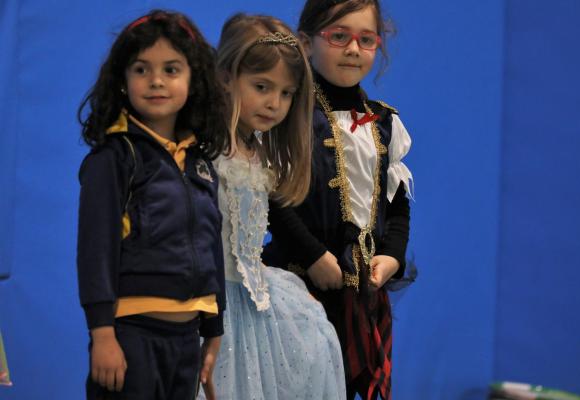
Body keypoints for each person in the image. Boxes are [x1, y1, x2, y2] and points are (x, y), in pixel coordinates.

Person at [263, 1, 414, 399]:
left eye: (366, 40)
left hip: (362, 293)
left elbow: (396, 201)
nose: (353, 49)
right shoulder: (287, 114)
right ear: (306, 42)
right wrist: (312, 255)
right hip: (297, 282)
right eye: (338, 36)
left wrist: (394, 254)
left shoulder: (384, 122)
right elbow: (270, 196)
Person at [76, 10, 229, 400]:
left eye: (172, 69)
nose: (156, 81)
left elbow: (212, 244)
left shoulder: (200, 163)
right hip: (130, 337)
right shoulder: (113, 159)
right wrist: (103, 335)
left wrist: (213, 330)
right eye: (141, 69)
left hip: (187, 338)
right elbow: (95, 252)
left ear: (193, 82)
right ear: (123, 82)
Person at [197, 13, 345, 400]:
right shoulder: (206, 150)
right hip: (213, 304)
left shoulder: (258, 151)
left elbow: (247, 237)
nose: (273, 103)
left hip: (254, 301)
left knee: (315, 336)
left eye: (285, 93)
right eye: (261, 86)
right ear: (227, 76)